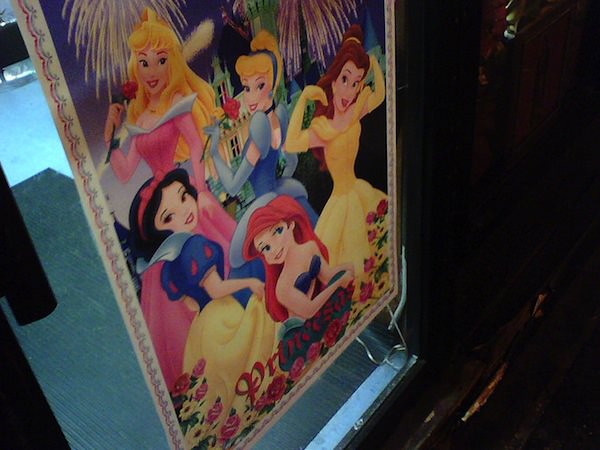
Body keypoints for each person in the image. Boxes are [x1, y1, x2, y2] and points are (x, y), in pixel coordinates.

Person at [103, 8, 235, 270]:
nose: (152, 71)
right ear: (136, 66)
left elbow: (196, 145)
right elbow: (126, 171)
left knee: (208, 256)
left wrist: (201, 190)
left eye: (161, 61)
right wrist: (110, 138)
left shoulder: (176, 103)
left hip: (181, 191)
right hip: (159, 203)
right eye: (144, 63)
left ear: (172, 62)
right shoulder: (140, 118)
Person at [128, 169, 275, 397]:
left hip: (202, 328)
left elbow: (190, 303)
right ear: (157, 233)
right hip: (222, 316)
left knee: (223, 383)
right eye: (168, 217)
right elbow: (216, 290)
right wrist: (249, 282)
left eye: (183, 196)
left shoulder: (170, 264)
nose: (184, 210)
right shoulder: (195, 247)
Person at [205, 30, 316, 300]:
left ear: (272, 83)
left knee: (241, 260)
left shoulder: (257, 126)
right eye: (246, 87)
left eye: (259, 85)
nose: (251, 96)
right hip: (282, 191)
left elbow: (233, 186)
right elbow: (291, 160)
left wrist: (215, 151)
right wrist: (279, 190)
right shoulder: (280, 113)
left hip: (263, 205)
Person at [285, 24, 388, 280]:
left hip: (361, 192)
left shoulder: (354, 113)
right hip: (340, 202)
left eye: (356, 83)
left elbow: (379, 95)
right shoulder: (324, 128)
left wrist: (375, 65)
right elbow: (292, 143)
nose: (349, 90)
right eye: (345, 79)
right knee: (345, 264)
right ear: (333, 79)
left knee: (378, 250)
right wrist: (303, 99)